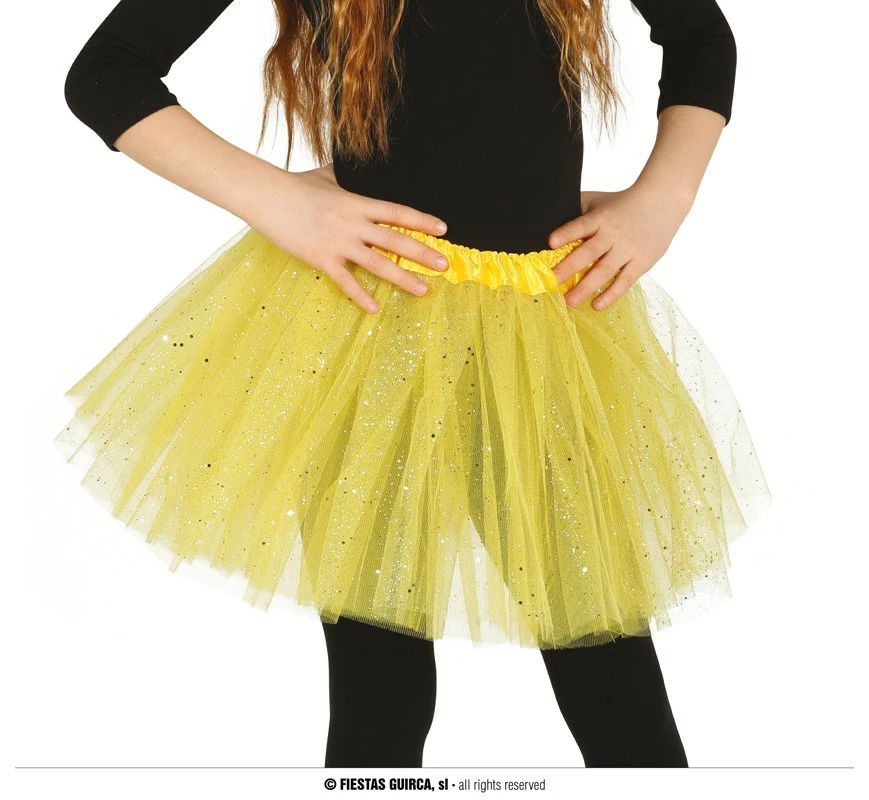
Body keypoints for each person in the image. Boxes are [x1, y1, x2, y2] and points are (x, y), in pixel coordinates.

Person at [56, 0, 772, 768]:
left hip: (539, 330)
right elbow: (107, 72)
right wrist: (279, 202)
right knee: (380, 695)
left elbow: (697, 32)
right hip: (370, 334)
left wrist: (663, 199)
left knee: (613, 679)